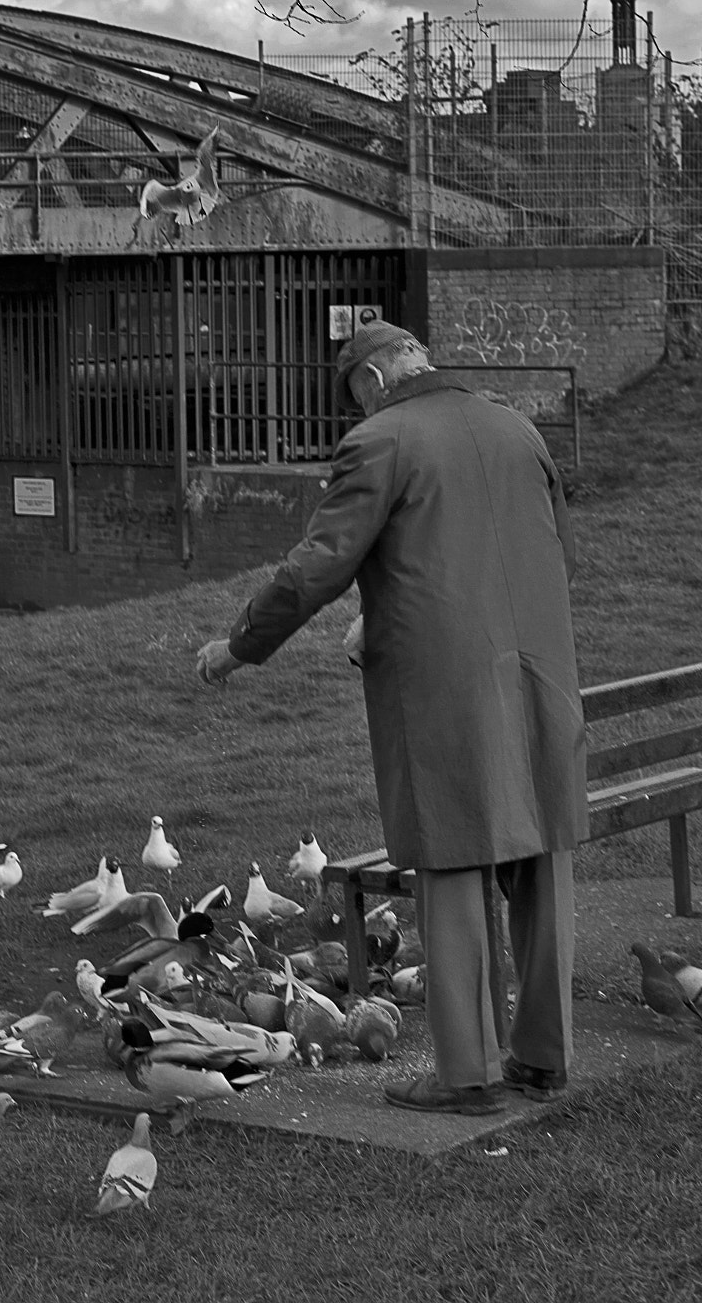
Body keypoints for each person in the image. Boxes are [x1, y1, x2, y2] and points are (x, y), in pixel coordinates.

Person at [196, 319, 586, 1115]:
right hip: (540, 678)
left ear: (370, 382)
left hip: (445, 691)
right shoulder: (515, 427)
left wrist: (238, 648)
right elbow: (542, 553)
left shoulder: (379, 439)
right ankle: (542, 1058)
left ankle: (465, 1074)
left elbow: (315, 569)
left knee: (449, 866)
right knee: (541, 860)